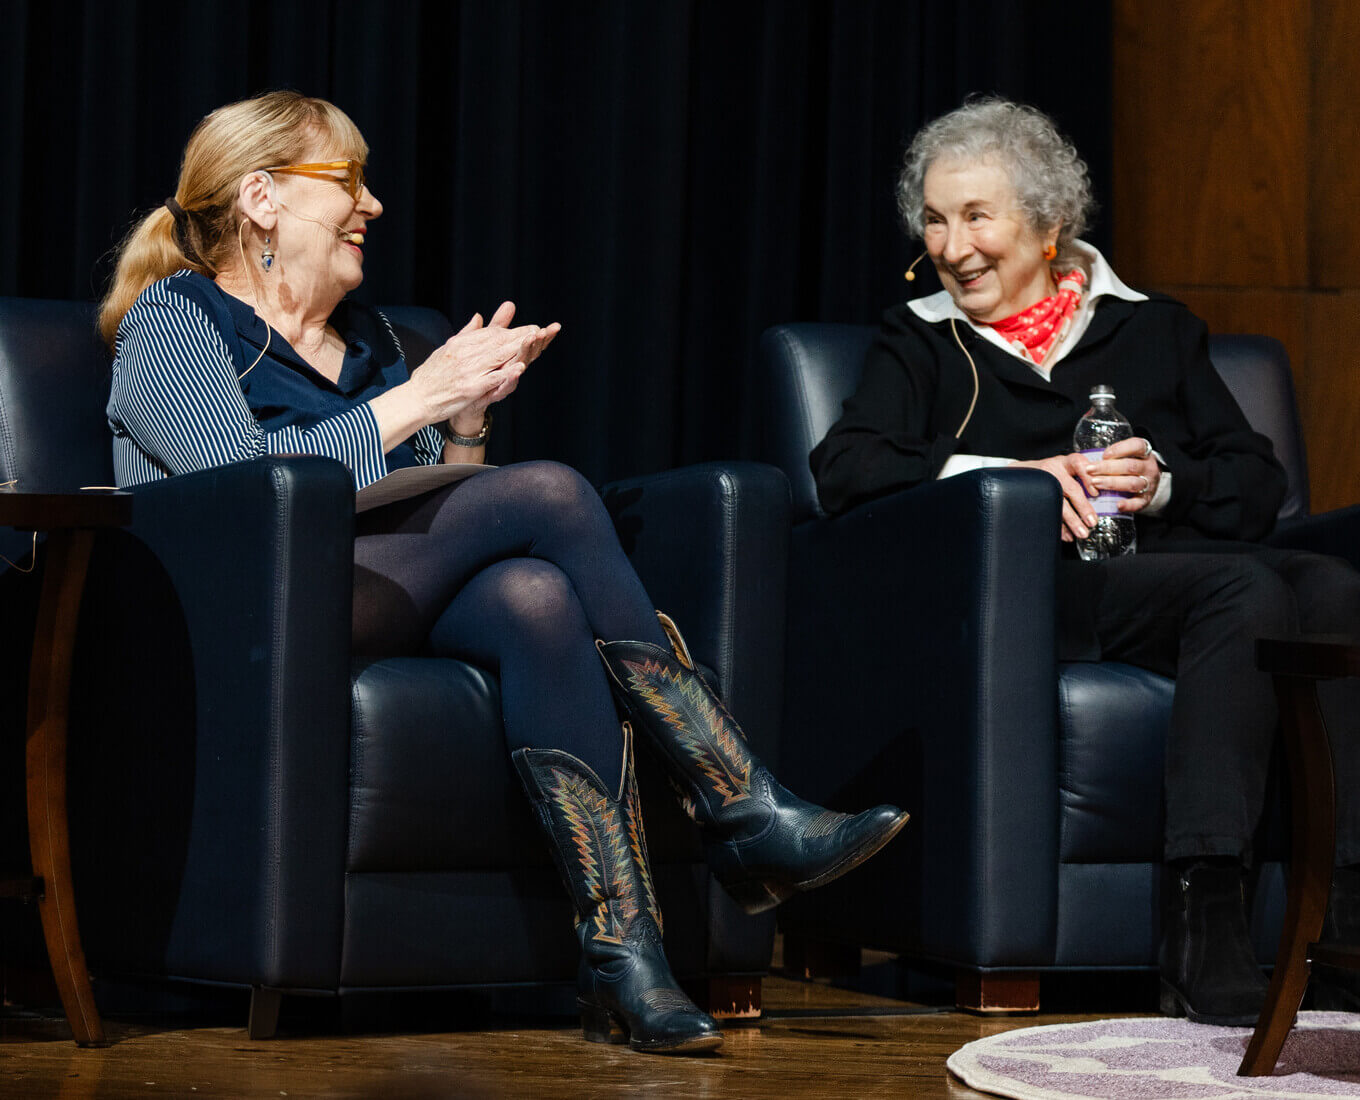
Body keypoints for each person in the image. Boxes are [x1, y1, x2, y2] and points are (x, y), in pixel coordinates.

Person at [101, 91, 908, 1055]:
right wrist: (420, 401)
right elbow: (238, 494)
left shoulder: (375, 344)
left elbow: (445, 509)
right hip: (246, 616)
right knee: (557, 493)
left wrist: (465, 422)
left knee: (537, 596)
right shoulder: (176, 318)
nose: (374, 206)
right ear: (263, 198)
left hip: (377, 595)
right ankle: (737, 800)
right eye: (348, 183)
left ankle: (624, 956)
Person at [811, 96, 1360, 1025]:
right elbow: (847, 468)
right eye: (936, 220)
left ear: (1048, 224)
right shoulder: (922, 339)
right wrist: (1017, 476)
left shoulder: (1154, 329)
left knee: (1335, 587)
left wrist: (1161, 485)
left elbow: (1254, 483)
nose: (952, 245)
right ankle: (1203, 927)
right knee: (1246, 587)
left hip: (1173, 573)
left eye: (977, 217)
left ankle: (1341, 916)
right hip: (1037, 597)